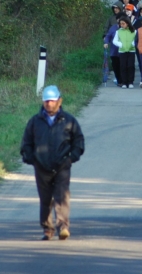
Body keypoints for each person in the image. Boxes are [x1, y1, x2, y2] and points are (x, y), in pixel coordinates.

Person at [21, 85, 84, 241]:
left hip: (62, 165)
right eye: (46, 101)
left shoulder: (69, 121)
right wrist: (31, 159)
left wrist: (71, 158)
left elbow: (79, 141)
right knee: (45, 199)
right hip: (42, 167)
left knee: (62, 196)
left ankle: (63, 227)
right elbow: (27, 142)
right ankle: (47, 229)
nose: (49, 104)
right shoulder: (35, 122)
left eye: (52, 101)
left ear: (59, 101)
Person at [113, 17, 136, 88]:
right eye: (120, 24)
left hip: (131, 51)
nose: (122, 25)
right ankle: (124, 82)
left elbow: (136, 39)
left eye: (123, 23)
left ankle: (130, 82)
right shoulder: (118, 31)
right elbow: (115, 40)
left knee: (130, 66)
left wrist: (133, 44)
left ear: (127, 23)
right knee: (123, 66)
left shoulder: (134, 31)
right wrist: (120, 45)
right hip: (122, 51)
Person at [104, 18, 122, 86]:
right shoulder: (113, 28)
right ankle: (119, 80)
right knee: (115, 66)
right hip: (114, 51)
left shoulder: (127, 28)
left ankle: (123, 80)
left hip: (123, 51)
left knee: (122, 66)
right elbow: (108, 36)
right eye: (118, 19)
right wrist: (106, 42)